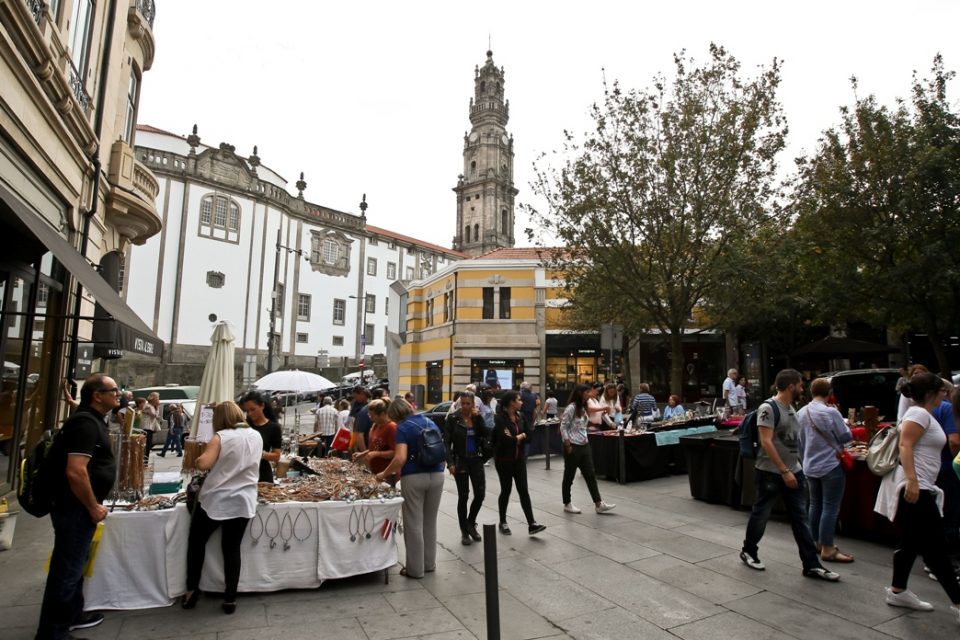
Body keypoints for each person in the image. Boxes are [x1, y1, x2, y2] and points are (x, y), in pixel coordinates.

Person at [35, 373, 119, 639]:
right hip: (75, 507)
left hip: (75, 506)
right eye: (114, 390)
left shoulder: (88, 419)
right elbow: (76, 471)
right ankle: (53, 632)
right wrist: (93, 506)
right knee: (67, 569)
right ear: (97, 396)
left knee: (75, 563)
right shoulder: (85, 424)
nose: (118, 394)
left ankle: (73, 614)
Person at [740, 369, 840, 582]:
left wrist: (796, 467)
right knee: (762, 514)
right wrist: (784, 470)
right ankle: (749, 550)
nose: (803, 388)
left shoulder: (792, 408)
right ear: (790, 386)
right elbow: (766, 441)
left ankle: (811, 564)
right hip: (770, 473)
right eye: (800, 385)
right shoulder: (768, 408)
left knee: (800, 518)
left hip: (793, 471)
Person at [875, 372, 960, 614]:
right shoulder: (919, 413)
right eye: (941, 391)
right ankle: (957, 601)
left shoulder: (923, 412)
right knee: (936, 548)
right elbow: (905, 445)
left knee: (911, 542)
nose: (946, 394)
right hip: (916, 488)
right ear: (932, 394)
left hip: (920, 486)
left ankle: (898, 591)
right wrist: (912, 480)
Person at [182, 401, 262, 615]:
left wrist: (200, 455)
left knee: (197, 543)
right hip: (244, 499)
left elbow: (203, 464)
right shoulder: (256, 435)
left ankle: (191, 590)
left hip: (216, 500)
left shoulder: (221, 437)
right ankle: (230, 598)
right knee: (232, 549)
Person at [374, 399, 444, 578]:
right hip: (437, 475)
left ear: (395, 415)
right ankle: (429, 564)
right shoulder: (430, 422)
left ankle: (415, 569)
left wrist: (384, 473)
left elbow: (400, 458)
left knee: (413, 523)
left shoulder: (403, 428)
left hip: (413, 477)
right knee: (430, 522)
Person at [797, 378, 854, 563]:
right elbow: (846, 435)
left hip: (809, 464)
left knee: (815, 504)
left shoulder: (800, 413)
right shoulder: (831, 412)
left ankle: (816, 542)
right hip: (830, 464)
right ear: (829, 393)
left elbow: (798, 442)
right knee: (830, 506)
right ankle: (828, 547)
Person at [490, 390, 546, 536]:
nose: (521, 402)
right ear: (511, 403)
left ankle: (532, 523)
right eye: (519, 400)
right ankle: (503, 521)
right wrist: (519, 436)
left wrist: (517, 436)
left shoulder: (520, 417)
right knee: (506, 490)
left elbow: (530, 435)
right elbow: (505, 440)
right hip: (504, 460)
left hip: (519, 459)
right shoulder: (499, 418)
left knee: (523, 491)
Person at [560, 384, 616, 515]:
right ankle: (567, 503)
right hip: (573, 445)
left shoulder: (584, 407)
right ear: (580, 393)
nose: (589, 394)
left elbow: (596, 416)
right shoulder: (571, 408)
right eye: (587, 392)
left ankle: (598, 504)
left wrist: (611, 423)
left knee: (590, 474)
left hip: (584, 444)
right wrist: (567, 444)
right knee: (569, 475)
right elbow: (563, 427)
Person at [443, 390, 489, 545]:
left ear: (473, 404)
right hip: (460, 459)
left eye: (468, 403)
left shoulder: (476, 418)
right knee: (463, 496)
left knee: (480, 494)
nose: (465, 406)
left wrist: (479, 418)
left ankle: (470, 522)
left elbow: (486, 434)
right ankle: (464, 531)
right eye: (462, 403)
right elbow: (446, 442)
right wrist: (450, 463)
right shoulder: (453, 418)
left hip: (476, 459)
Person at [240, 391, 282, 483]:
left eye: (253, 409)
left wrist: (261, 453)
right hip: (244, 474)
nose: (250, 413)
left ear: (262, 406)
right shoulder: (244, 425)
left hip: (262, 474)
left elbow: (276, 456)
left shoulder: (273, 427)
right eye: (247, 411)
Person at [353, 398, 396, 480]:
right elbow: (375, 447)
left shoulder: (391, 427)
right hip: (376, 472)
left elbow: (395, 453)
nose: (370, 418)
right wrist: (362, 454)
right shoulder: (375, 425)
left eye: (372, 416)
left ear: (382, 414)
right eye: (369, 415)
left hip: (387, 473)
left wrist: (376, 454)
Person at [140, 392, 162, 462]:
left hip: (150, 428)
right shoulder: (148, 406)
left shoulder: (152, 406)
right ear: (153, 399)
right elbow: (154, 415)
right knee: (146, 445)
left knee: (148, 445)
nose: (158, 400)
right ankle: (145, 461)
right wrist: (158, 407)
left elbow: (156, 416)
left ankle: (146, 460)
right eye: (157, 398)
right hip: (146, 428)